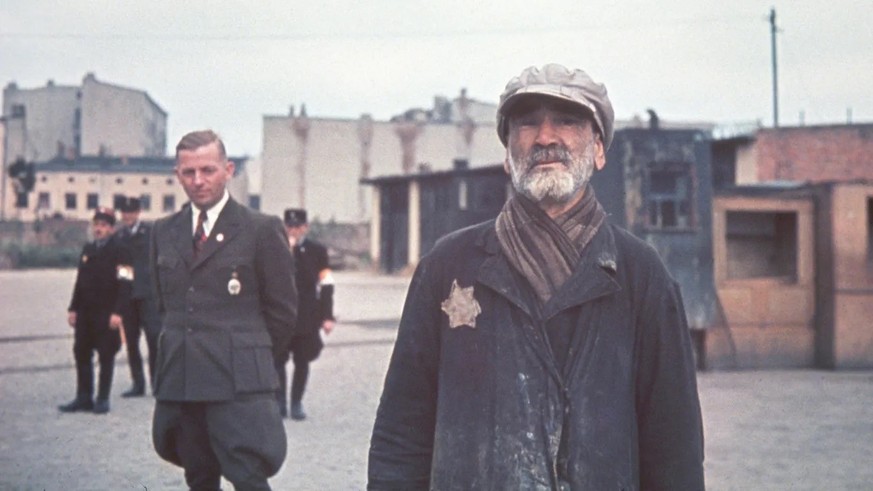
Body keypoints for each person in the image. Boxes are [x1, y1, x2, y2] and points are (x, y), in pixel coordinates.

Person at [368, 64, 705, 490]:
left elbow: (675, 450)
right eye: (527, 124)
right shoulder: (449, 266)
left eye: (567, 120)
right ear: (508, 156)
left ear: (599, 149)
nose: (545, 137)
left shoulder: (641, 276)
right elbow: (402, 431)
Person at [150, 130, 297, 490]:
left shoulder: (260, 229)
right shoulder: (162, 232)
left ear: (228, 169)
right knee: (198, 477)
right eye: (189, 172)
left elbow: (283, 313)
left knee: (248, 477)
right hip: (184, 383)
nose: (198, 181)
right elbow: (159, 309)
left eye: (208, 170)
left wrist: (249, 358)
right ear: (177, 174)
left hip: (237, 386)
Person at [59, 206, 132, 415]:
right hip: (85, 313)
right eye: (96, 225)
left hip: (107, 313)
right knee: (81, 353)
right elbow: (80, 281)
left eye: (103, 225)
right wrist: (73, 308)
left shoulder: (122, 250)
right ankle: (84, 397)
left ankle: (102, 398)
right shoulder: (88, 249)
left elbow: (126, 284)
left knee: (106, 355)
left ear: (111, 228)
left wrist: (119, 312)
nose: (98, 229)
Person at [275, 208, 336, 420]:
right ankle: (280, 402)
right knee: (277, 360)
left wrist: (328, 316)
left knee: (303, 361)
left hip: (307, 314)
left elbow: (326, 284)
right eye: (289, 226)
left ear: (305, 227)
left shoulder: (317, 251)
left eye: (298, 227)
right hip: (280, 315)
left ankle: (296, 402)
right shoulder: (275, 248)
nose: (293, 230)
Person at [116, 196, 160, 397]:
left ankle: (157, 383)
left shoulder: (150, 233)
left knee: (153, 340)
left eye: (131, 212)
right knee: (131, 342)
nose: (127, 216)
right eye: (124, 213)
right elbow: (120, 267)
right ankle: (138, 384)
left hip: (148, 295)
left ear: (137, 213)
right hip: (128, 297)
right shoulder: (119, 236)